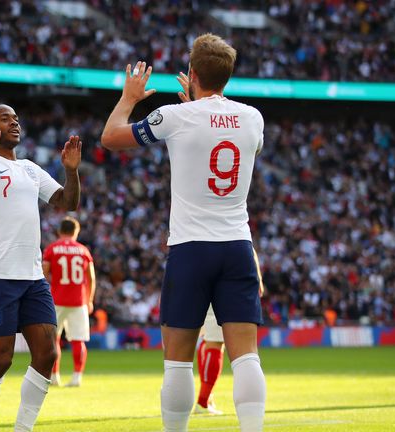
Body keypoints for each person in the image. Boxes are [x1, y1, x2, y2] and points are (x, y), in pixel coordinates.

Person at [100, 33, 267, 432]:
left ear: (191, 74)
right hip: (237, 246)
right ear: (228, 76)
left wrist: (129, 97)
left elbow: (111, 138)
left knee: (177, 360)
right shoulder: (252, 117)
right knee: (246, 357)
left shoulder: (175, 117)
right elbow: (227, 139)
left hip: (191, 249)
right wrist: (200, 111)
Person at [0, 104, 82, 432]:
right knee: (1, 360)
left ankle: (22, 429)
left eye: (16, 119)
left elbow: (67, 202)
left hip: (33, 276)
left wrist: (71, 171)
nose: (15, 122)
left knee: (47, 355)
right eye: (5, 118)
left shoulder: (30, 168)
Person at [195, 249, 266, 416]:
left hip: (200, 277)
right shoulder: (233, 225)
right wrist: (258, 277)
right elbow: (248, 247)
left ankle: (206, 397)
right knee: (215, 342)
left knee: (207, 339)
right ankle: (203, 401)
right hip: (224, 280)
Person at [42, 216, 95, 387]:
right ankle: (76, 377)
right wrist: (90, 300)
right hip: (79, 300)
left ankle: (54, 376)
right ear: (76, 232)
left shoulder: (52, 249)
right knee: (78, 340)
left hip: (56, 300)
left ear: (59, 231)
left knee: (53, 340)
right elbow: (91, 278)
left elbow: (44, 274)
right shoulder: (83, 250)